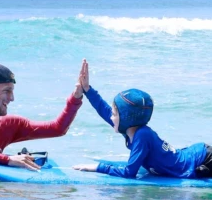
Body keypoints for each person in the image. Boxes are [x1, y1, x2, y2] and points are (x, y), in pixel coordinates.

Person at [73, 61, 212, 179]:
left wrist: (98, 167)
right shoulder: (130, 128)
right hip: (195, 155)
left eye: (114, 113)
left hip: (204, 158)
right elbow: (104, 110)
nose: (111, 116)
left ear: (126, 118)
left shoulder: (141, 135)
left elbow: (129, 173)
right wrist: (87, 90)